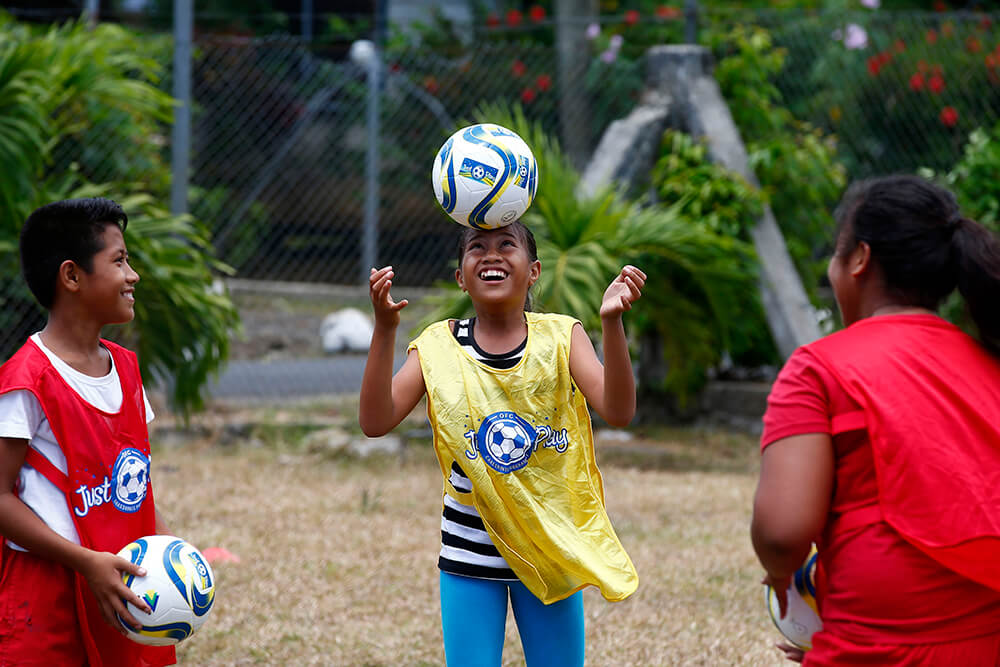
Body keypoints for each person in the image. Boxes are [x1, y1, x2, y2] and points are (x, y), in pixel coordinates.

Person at [359, 221, 644, 667]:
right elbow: (375, 422)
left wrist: (612, 324)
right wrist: (384, 329)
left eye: (506, 245)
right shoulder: (438, 345)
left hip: (550, 548)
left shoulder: (562, 336)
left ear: (533, 271)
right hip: (467, 558)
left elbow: (618, 409)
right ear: (461, 276)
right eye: (477, 247)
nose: (491, 254)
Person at [751, 174, 1000, 665]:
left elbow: (782, 533)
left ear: (859, 259)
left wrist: (783, 577)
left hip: (878, 642)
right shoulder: (990, 360)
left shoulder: (819, 368)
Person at [0, 198, 176, 667]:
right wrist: (84, 561)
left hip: (121, 589)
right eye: (119, 261)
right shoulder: (26, 382)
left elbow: (135, 484)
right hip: (47, 600)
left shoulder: (129, 370)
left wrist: (170, 553)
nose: (133, 275)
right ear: (72, 276)